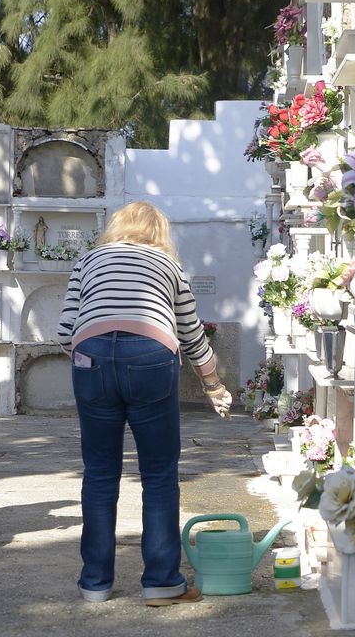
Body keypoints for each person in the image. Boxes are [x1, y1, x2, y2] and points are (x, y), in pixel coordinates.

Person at [55, 201, 235, 606]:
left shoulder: (88, 260)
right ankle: (160, 581)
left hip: (92, 355)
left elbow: (66, 330)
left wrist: (93, 359)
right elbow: (190, 332)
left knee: (99, 473)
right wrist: (213, 384)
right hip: (151, 355)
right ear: (159, 232)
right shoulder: (168, 265)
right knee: (158, 474)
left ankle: (95, 583)